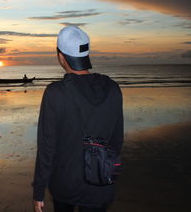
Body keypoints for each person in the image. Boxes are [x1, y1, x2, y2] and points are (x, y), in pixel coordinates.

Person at [32, 26, 124, 212]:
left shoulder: (56, 93)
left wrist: (39, 191)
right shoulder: (113, 88)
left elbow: (47, 148)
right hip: (100, 183)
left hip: (65, 184)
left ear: (61, 57)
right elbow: (117, 140)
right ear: (86, 54)